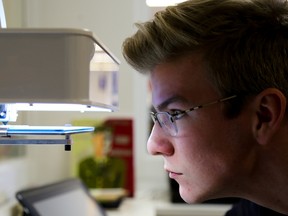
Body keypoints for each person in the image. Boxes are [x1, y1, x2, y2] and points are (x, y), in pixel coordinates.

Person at [122, 0, 288, 215]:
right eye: (158, 116)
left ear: (263, 115)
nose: (153, 146)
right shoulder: (259, 208)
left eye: (175, 114)